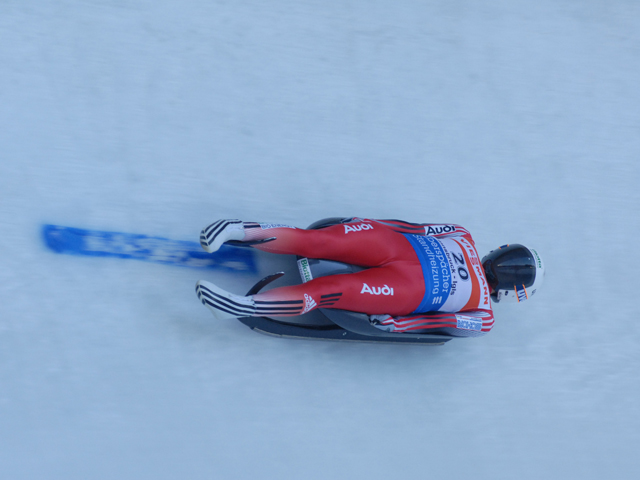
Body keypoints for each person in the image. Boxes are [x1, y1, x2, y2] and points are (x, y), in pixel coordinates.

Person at [195, 218, 545, 337]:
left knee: (328, 290)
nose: (504, 266)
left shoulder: (483, 316)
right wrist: (365, 222)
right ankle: (235, 230)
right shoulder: (461, 233)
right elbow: (412, 228)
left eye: (513, 267)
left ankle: (239, 306)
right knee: (317, 240)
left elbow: (439, 322)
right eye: (510, 260)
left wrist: (397, 325)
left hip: (404, 288)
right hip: (394, 247)